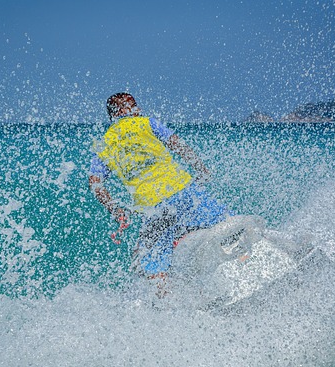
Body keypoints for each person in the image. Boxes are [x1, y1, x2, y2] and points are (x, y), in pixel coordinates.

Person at [88, 93, 231, 294]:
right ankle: (248, 258)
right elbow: (178, 145)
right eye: (133, 106)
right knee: (227, 223)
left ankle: (165, 304)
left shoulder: (105, 144)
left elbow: (95, 183)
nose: (138, 110)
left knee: (148, 260)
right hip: (185, 190)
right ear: (121, 112)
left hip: (155, 207)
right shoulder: (147, 123)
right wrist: (201, 169)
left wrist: (114, 209)